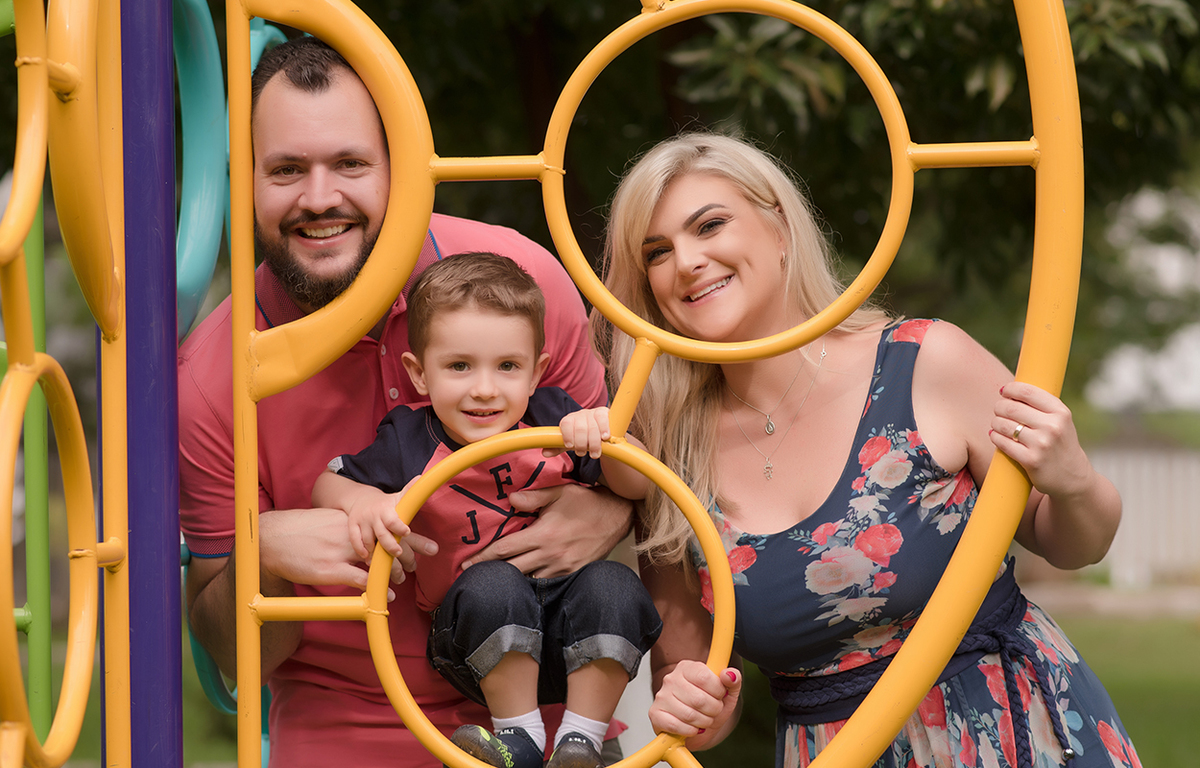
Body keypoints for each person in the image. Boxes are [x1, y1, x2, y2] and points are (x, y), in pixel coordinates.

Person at [593, 132, 1137, 767]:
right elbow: (702, 696)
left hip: (1014, 734)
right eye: (657, 253)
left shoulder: (924, 361)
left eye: (709, 225)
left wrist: (1073, 482)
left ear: (778, 229)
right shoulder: (666, 454)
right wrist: (689, 704)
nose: (686, 261)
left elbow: (1077, 545)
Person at [178, 36, 634, 767]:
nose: (320, 197)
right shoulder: (211, 374)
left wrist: (613, 508)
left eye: (350, 163)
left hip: (552, 724)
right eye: (286, 169)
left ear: (401, 167)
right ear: (246, 181)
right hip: (349, 731)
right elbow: (241, 656)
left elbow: (617, 473)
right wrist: (262, 548)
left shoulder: (523, 285)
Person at [312, 252, 661, 768]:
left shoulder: (552, 420)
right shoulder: (410, 439)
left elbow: (638, 488)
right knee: (493, 584)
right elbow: (328, 483)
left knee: (613, 584)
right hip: (477, 636)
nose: (484, 389)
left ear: (536, 372)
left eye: (507, 367)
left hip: (575, 626)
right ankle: (517, 740)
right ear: (420, 374)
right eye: (459, 366)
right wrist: (363, 501)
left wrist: (610, 442)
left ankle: (580, 741)